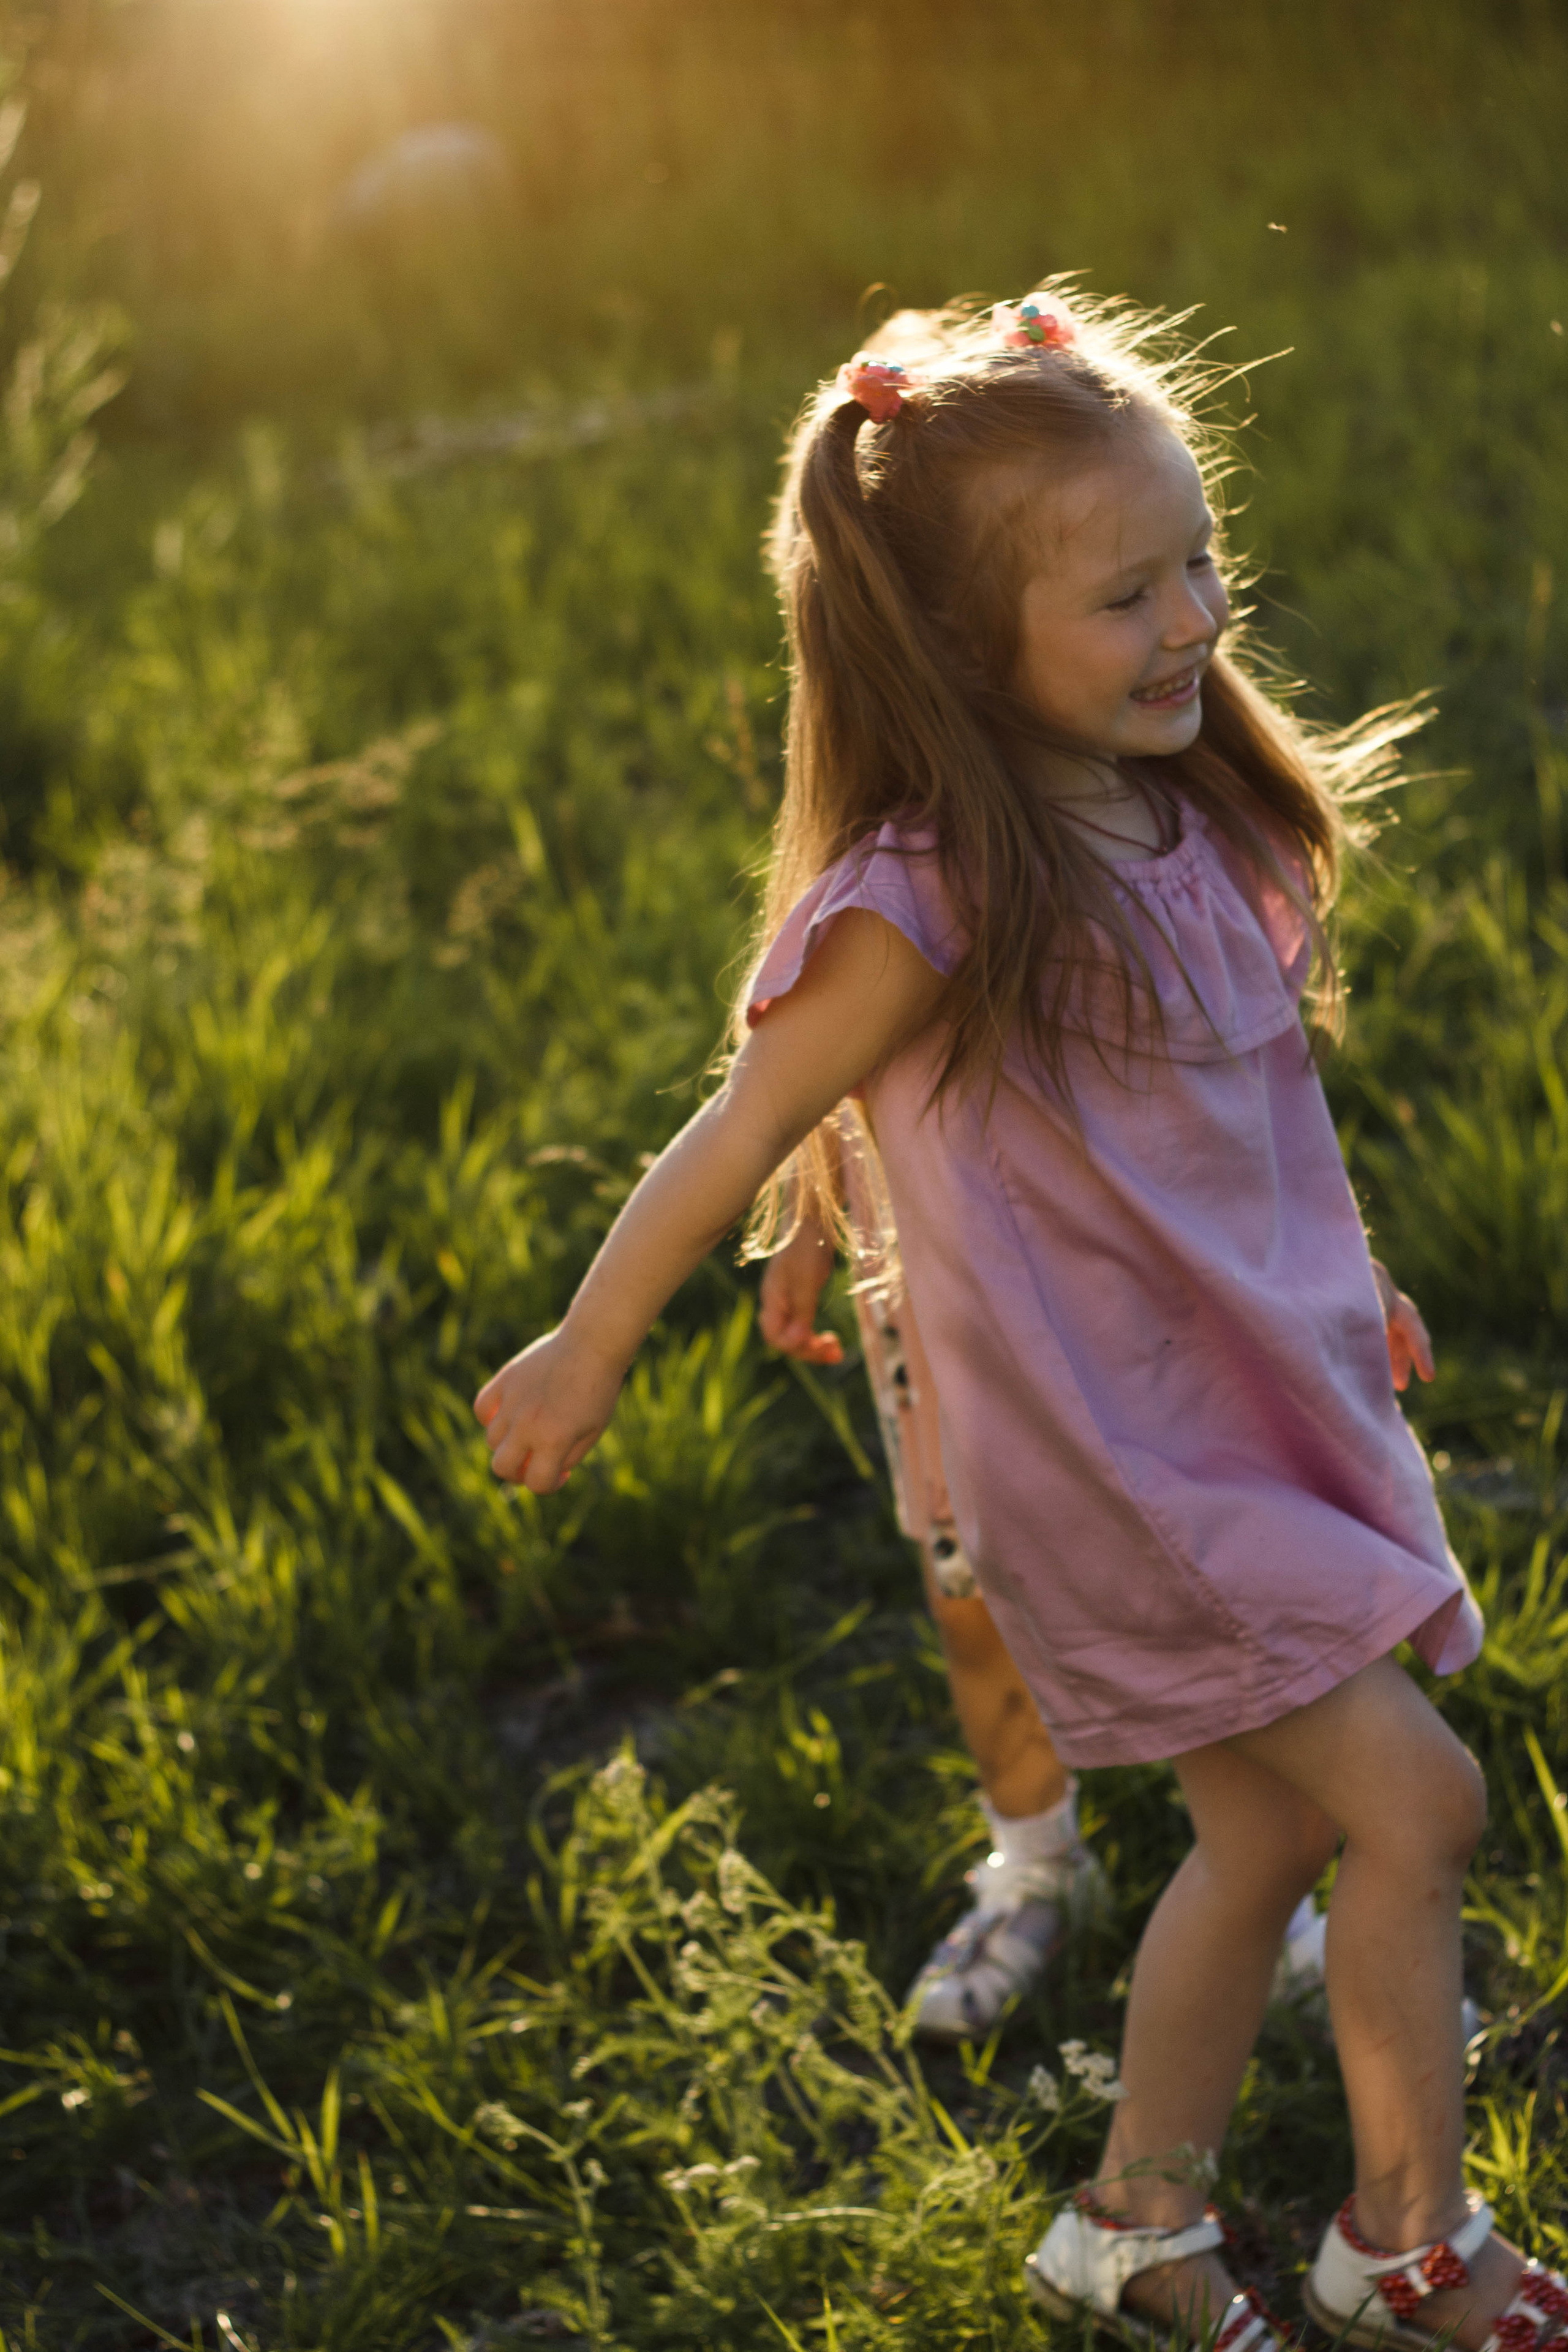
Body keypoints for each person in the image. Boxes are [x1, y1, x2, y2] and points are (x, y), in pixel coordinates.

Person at [475, 284, 1566, 2352]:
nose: (1192, 624)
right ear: (968, 648)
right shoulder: (936, 892)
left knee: (1256, 1833)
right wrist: (590, 1340)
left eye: (1200, 564)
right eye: (1128, 595)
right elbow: (742, 1130)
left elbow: (1234, 1122)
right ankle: (1409, 2242)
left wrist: (1360, 1285)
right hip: (1124, 1463)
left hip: (1256, 1397)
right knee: (1419, 1802)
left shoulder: (1182, 814)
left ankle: (1135, 2234)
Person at [758, 1186, 1333, 2042]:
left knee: (1187, 1557)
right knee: (969, 1571)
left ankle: (1270, 1893)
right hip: (928, 1250)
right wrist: (810, 1204)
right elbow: (794, 1055)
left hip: (1110, 1214)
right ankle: (1036, 1861)